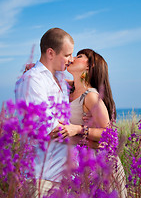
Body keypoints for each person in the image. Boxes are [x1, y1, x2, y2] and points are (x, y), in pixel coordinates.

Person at [55, 48, 127, 197]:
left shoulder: (91, 96)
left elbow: (109, 134)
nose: (72, 58)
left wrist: (79, 129)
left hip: (101, 166)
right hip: (82, 164)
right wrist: (35, 67)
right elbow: (52, 77)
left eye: (79, 56)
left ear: (89, 66)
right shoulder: (70, 89)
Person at [15, 28, 74, 193]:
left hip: (62, 178)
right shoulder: (33, 80)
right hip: (41, 177)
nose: (72, 59)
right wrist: (82, 131)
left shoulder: (60, 79)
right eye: (67, 55)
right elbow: (47, 127)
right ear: (50, 53)